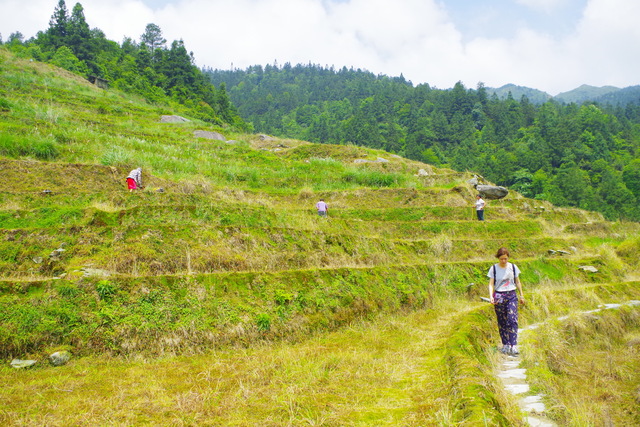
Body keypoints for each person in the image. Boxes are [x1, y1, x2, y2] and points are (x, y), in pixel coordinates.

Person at [488, 247, 525, 356]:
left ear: (508, 258)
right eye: (501, 259)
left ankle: (513, 345)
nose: (503, 261)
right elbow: (491, 284)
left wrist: (521, 295)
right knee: (502, 321)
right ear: (498, 258)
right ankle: (505, 344)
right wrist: (491, 296)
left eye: (505, 259)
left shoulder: (513, 267)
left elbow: (518, 282)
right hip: (499, 296)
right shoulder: (494, 269)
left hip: (511, 295)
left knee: (512, 319)